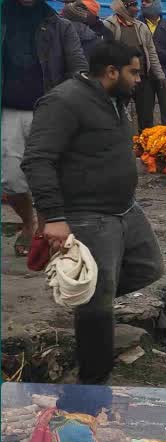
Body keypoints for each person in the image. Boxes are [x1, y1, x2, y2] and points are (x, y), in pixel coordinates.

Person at [22, 41, 163, 385]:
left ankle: (84, 297)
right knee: (98, 309)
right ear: (111, 72)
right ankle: (92, 391)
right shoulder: (64, 101)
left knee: (148, 267)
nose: (138, 80)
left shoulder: (116, 100)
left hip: (124, 209)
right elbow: (38, 160)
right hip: (88, 214)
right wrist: (53, 216)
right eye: (133, 72)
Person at [2, 0, 87, 258]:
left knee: (47, 174)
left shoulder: (60, 26)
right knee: (11, 179)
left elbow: (78, 68)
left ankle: (40, 228)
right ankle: (28, 220)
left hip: (49, 111)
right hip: (8, 110)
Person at [104, 0, 165, 133]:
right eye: (133, 6)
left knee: (146, 119)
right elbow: (105, 53)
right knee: (117, 116)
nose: (137, 9)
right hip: (121, 80)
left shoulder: (141, 27)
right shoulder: (109, 25)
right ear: (124, 8)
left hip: (143, 78)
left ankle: (146, 150)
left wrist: (160, 74)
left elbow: (151, 52)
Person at [140, 0, 166, 127]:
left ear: (156, 4)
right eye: (142, 2)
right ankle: (145, 141)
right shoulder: (137, 25)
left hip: (165, 72)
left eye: (147, 2)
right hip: (144, 73)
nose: (143, 4)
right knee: (144, 110)